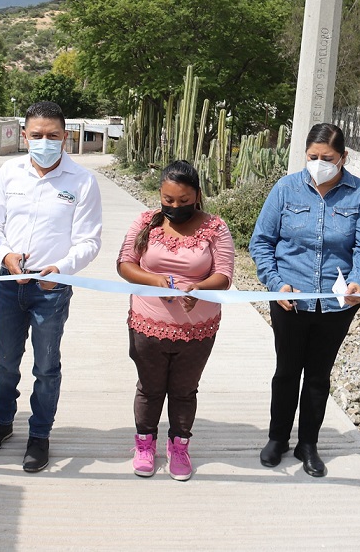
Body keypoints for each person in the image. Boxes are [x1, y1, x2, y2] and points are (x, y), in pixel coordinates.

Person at [249, 122, 360, 478]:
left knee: (319, 375)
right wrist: (276, 284)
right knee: (287, 371)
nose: (320, 163)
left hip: (337, 305)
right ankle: (277, 438)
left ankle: (308, 444)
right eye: (313, 157)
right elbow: (261, 242)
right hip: (289, 300)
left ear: (344, 157)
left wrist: (358, 280)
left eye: (328, 158)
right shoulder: (285, 189)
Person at [0, 101, 103, 472]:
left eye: (52, 136)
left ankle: (39, 434)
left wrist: (60, 268)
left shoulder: (81, 181)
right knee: (4, 362)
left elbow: (89, 241)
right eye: (37, 135)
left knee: (46, 365)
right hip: (9, 281)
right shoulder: (9, 172)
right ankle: (2, 423)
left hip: (51, 288)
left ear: (65, 137)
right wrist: (5, 255)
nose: (44, 142)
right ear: (25, 136)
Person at [116, 161, 234, 480]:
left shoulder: (215, 228)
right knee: (150, 389)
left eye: (183, 201)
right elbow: (125, 264)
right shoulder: (145, 222)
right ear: (160, 194)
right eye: (168, 200)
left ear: (197, 195)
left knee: (184, 391)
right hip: (147, 324)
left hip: (198, 330)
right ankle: (144, 445)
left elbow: (224, 275)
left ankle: (179, 447)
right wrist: (153, 281)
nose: (175, 207)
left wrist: (200, 288)